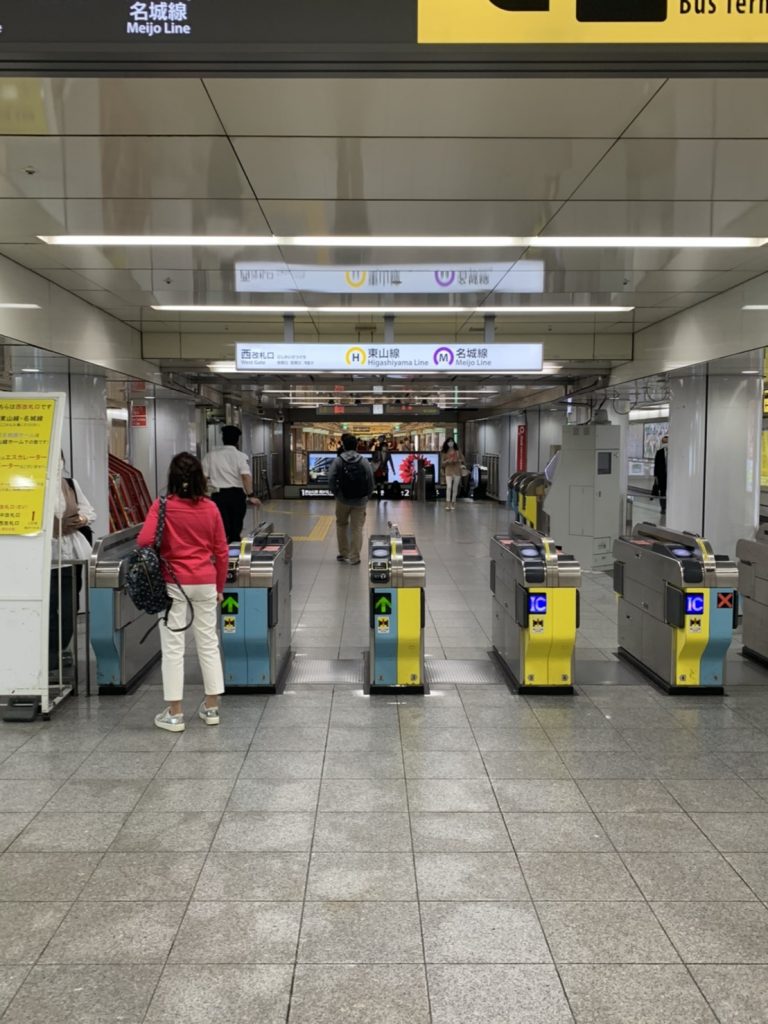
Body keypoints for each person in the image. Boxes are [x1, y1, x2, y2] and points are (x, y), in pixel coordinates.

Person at [137, 452, 229, 732]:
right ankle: (211, 707)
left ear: (172, 478)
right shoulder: (210, 508)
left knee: (173, 647)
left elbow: (144, 540)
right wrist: (220, 588)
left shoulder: (162, 505)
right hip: (205, 581)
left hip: (173, 582)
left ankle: (175, 713)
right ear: (200, 477)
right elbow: (221, 551)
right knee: (208, 642)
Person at [49, 453, 96, 673]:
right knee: (48, 608)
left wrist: (82, 519)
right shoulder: (31, 485)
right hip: (44, 557)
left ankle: (61, 648)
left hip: (70, 557)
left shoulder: (70, 484)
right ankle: (50, 654)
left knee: (69, 607)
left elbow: (88, 510)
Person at [202, 425, 261, 543]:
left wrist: (204, 493)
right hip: (236, 496)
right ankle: (234, 554)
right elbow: (245, 476)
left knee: (221, 528)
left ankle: (221, 552)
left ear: (223, 439)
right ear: (237, 440)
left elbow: (203, 476)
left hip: (218, 496)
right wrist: (251, 495)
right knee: (235, 528)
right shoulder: (240, 456)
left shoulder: (210, 455)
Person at [328, 433, 375, 565]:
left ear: (343, 446)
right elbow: (371, 479)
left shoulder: (338, 461)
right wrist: (368, 495)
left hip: (342, 499)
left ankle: (343, 553)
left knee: (341, 525)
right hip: (360, 500)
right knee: (357, 528)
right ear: (356, 446)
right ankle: (354, 557)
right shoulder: (364, 461)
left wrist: (336, 493)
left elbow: (331, 478)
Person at [441, 437, 465, 510]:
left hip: (457, 471)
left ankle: (453, 502)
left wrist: (457, 460)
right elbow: (442, 463)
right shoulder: (444, 452)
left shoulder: (457, 451)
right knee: (449, 487)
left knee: (455, 488)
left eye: (452, 441)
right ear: (447, 443)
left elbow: (463, 459)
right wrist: (448, 461)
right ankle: (447, 502)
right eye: (449, 442)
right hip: (448, 471)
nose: (450, 443)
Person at [653, 434, 668, 516]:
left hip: (671, 476)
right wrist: (655, 476)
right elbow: (656, 465)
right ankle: (663, 508)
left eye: (667, 440)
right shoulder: (659, 453)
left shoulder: (673, 452)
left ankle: (670, 506)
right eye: (664, 441)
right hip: (661, 476)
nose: (666, 442)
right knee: (662, 492)